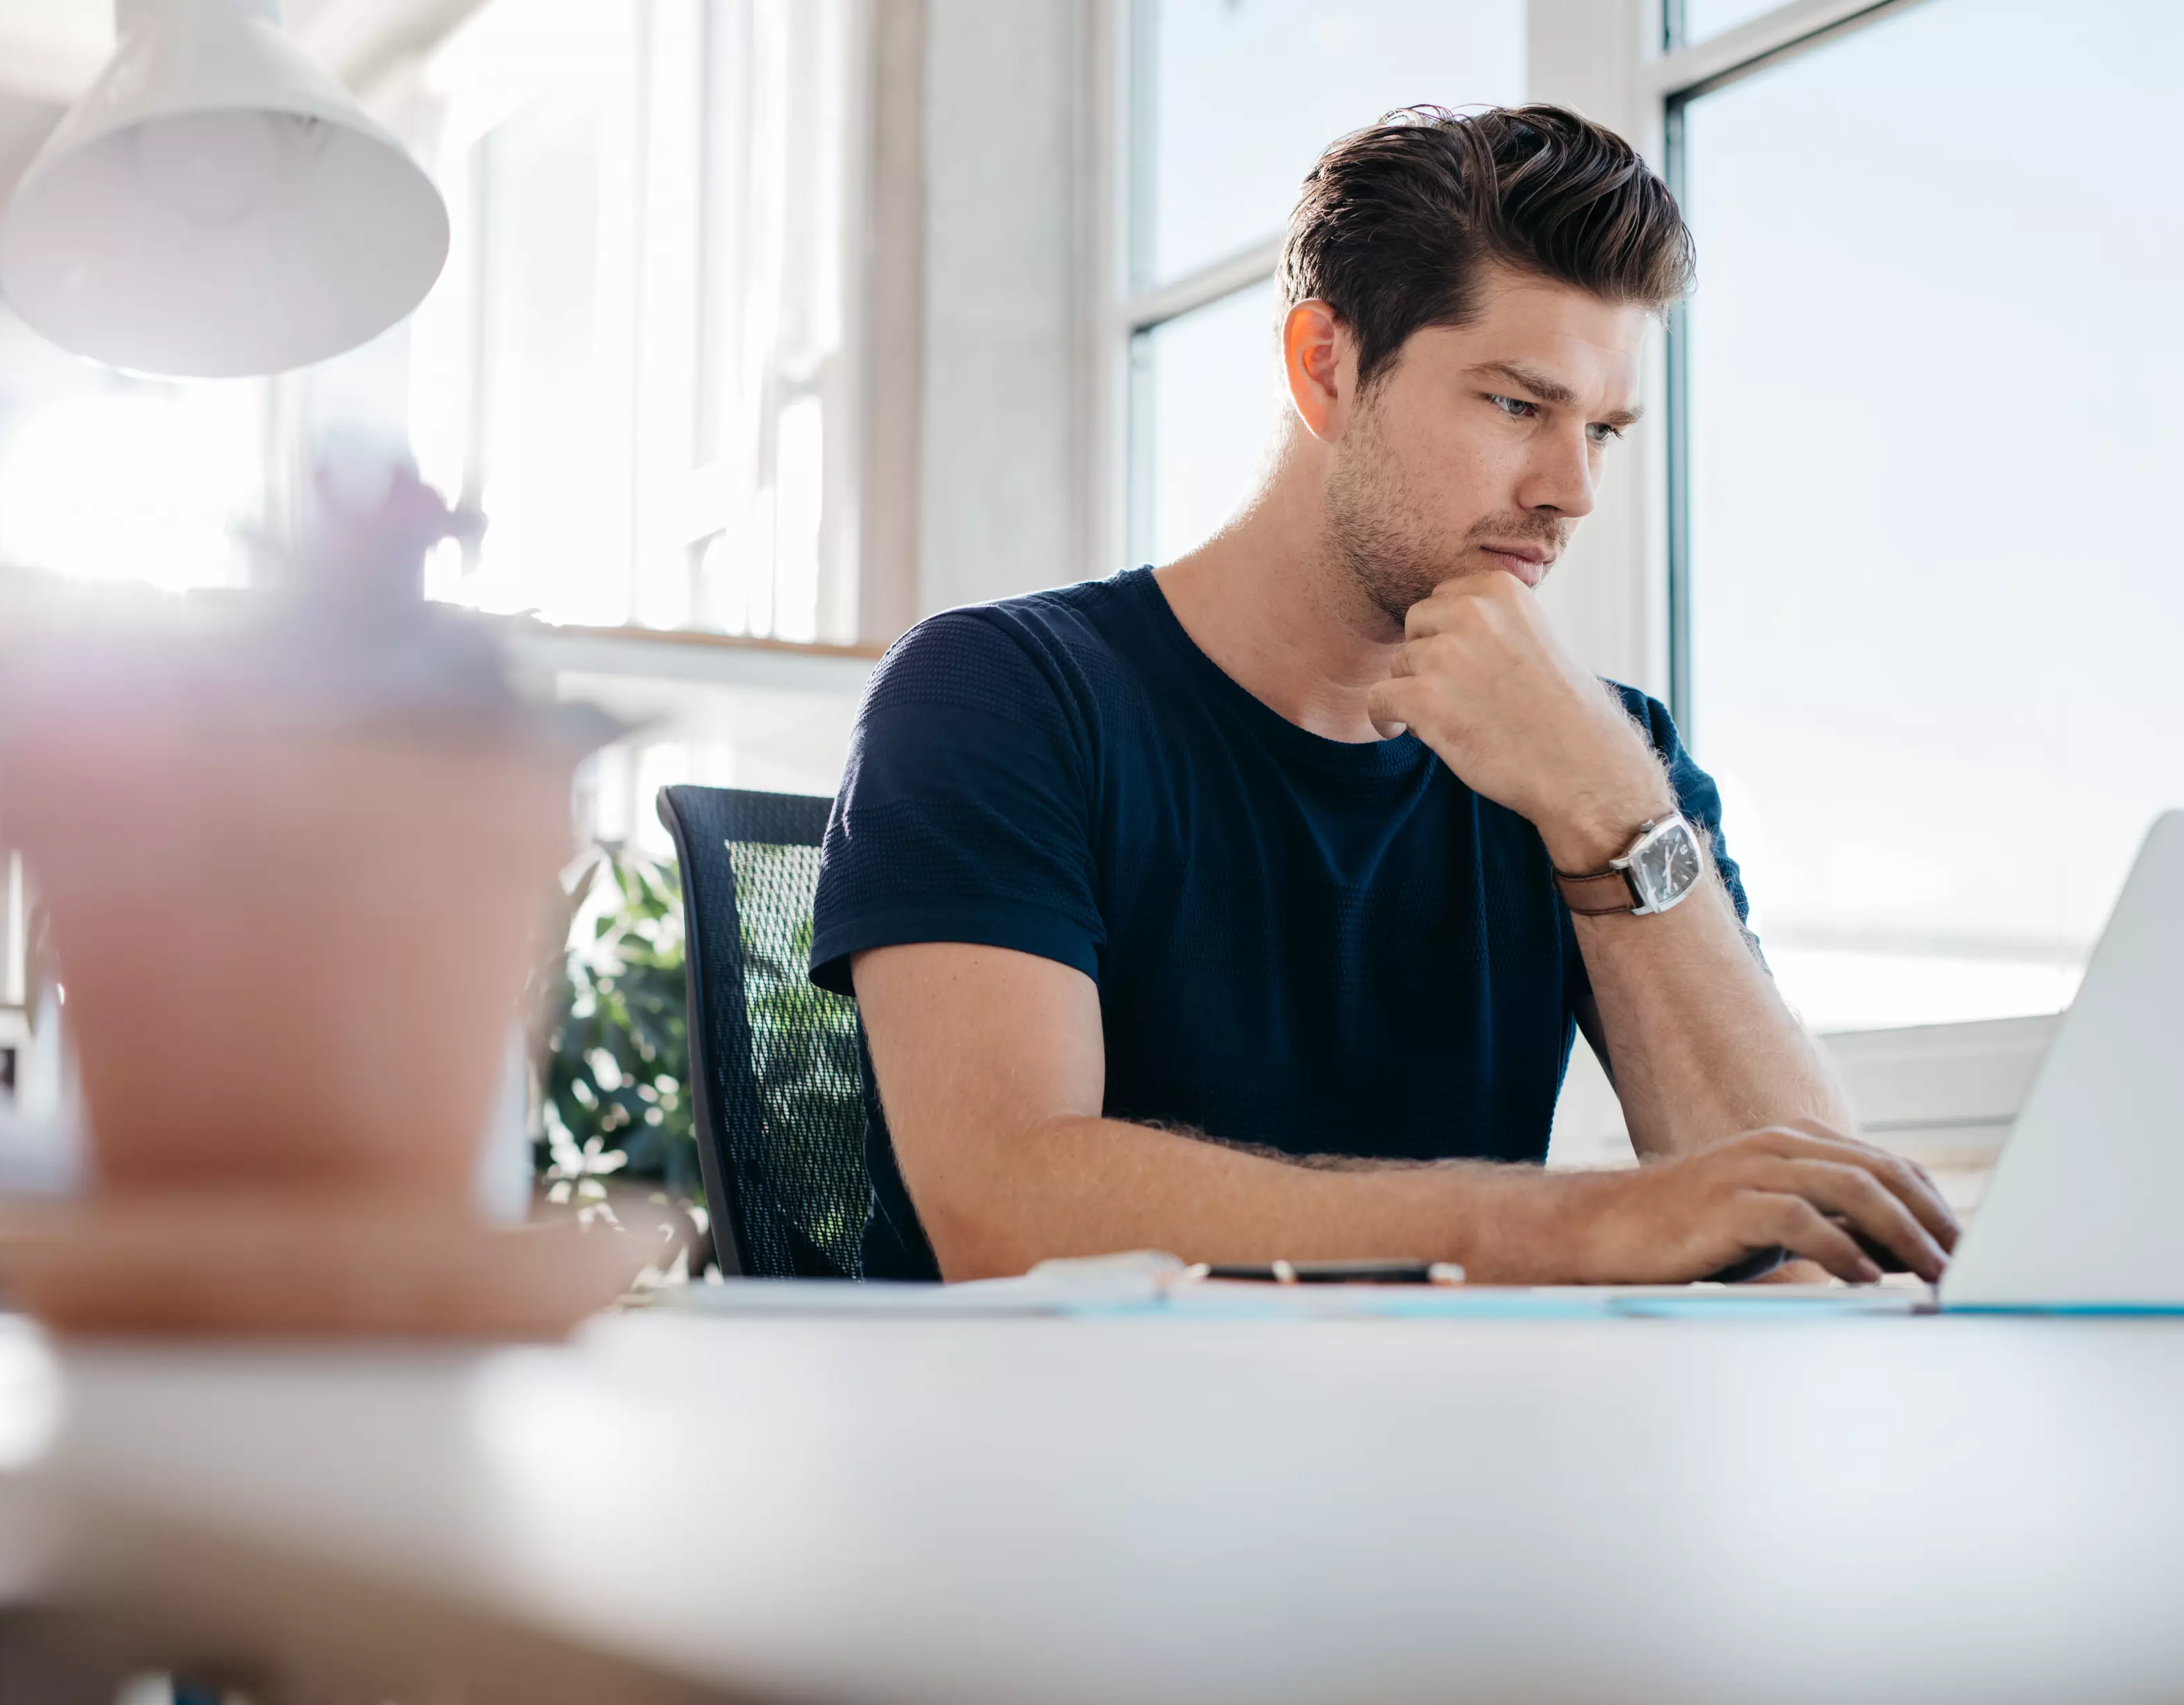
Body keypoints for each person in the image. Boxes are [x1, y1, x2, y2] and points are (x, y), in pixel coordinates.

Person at [809, 104, 1958, 1285]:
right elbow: (1004, 1208)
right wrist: (1563, 1226)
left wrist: (1610, 807)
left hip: (1441, 1453)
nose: (1574, 491)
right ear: (1328, 369)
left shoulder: (1600, 754)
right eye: (1519, 405)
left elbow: (1815, 1239)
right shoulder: (1002, 696)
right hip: (1056, 1454)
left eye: (1605, 430)